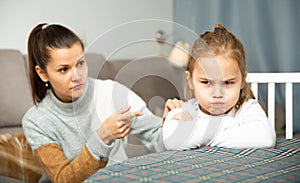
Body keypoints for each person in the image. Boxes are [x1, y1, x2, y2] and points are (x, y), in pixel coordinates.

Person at [22, 23, 165, 183]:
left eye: (80, 63)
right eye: (64, 69)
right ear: (42, 74)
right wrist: (103, 137)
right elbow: (63, 179)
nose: (76, 76)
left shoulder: (112, 92)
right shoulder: (36, 121)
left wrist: (175, 123)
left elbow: (156, 135)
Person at [162, 24, 276, 150]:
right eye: (206, 82)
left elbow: (265, 138)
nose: (217, 94)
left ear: (243, 80)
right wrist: (226, 125)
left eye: (228, 83)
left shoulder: (247, 108)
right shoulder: (187, 110)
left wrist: (198, 134)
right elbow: (171, 140)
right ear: (190, 80)